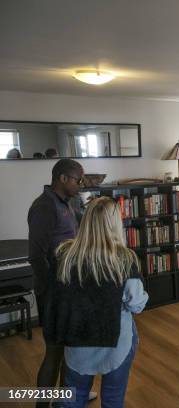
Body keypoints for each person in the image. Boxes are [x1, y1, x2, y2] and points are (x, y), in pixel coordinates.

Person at [44, 197, 148, 408]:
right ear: (115, 224)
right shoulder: (125, 258)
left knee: (73, 399)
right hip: (116, 344)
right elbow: (136, 305)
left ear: (86, 220)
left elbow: (57, 295)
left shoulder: (65, 254)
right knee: (112, 399)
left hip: (77, 342)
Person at [27, 158, 93, 407]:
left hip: (70, 290)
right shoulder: (44, 207)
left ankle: (65, 401)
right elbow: (36, 256)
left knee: (70, 352)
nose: (81, 184)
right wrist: (51, 293)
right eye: (78, 179)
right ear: (62, 178)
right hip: (55, 294)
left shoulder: (67, 204)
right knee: (54, 353)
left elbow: (83, 226)